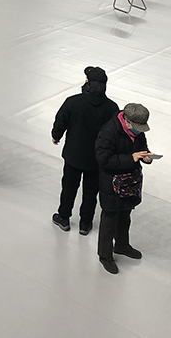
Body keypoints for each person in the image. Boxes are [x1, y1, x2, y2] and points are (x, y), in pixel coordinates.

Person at [51, 66, 119, 236]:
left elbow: (61, 121)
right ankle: (85, 223)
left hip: (73, 155)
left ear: (87, 83)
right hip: (96, 159)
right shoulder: (111, 108)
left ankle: (64, 217)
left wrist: (56, 135)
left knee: (69, 187)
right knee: (91, 191)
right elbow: (115, 133)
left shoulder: (73, 102)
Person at [95, 103, 153, 274]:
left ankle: (122, 245)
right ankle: (105, 256)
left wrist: (145, 156)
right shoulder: (108, 132)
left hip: (129, 182)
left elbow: (141, 146)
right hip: (111, 183)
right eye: (137, 128)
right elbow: (103, 160)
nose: (139, 131)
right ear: (127, 121)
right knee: (109, 221)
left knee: (125, 216)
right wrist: (131, 158)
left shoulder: (138, 132)